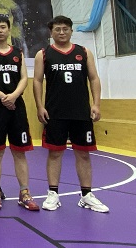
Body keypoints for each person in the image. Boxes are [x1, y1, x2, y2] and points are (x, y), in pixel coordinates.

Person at [33, 15, 109, 212]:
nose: (61, 32)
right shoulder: (43, 54)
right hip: (55, 112)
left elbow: (94, 78)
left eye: (65, 29)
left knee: (83, 153)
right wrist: (39, 106)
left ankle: (86, 195)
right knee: (55, 153)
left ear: (71, 31)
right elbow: (37, 81)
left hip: (81, 112)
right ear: (51, 32)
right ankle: (52, 193)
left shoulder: (84, 52)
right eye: (57, 29)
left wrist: (96, 104)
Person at [0, 15, 39, 211]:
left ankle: (24, 192)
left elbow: (24, 78)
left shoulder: (18, 52)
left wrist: (13, 96)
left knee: (20, 152)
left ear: (9, 29)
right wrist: (2, 96)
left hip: (16, 106)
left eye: (3, 27)